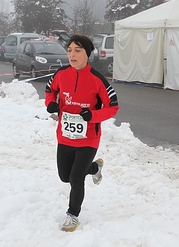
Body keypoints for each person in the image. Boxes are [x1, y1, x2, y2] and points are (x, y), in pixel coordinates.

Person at [45, 34, 119, 232]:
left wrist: (92, 116)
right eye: (69, 50)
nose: (72, 54)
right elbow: (49, 90)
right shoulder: (61, 74)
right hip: (65, 136)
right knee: (65, 176)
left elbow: (113, 106)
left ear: (87, 53)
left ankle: (72, 215)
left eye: (77, 50)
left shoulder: (97, 80)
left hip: (88, 139)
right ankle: (94, 168)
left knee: (76, 179)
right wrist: (50, 103)